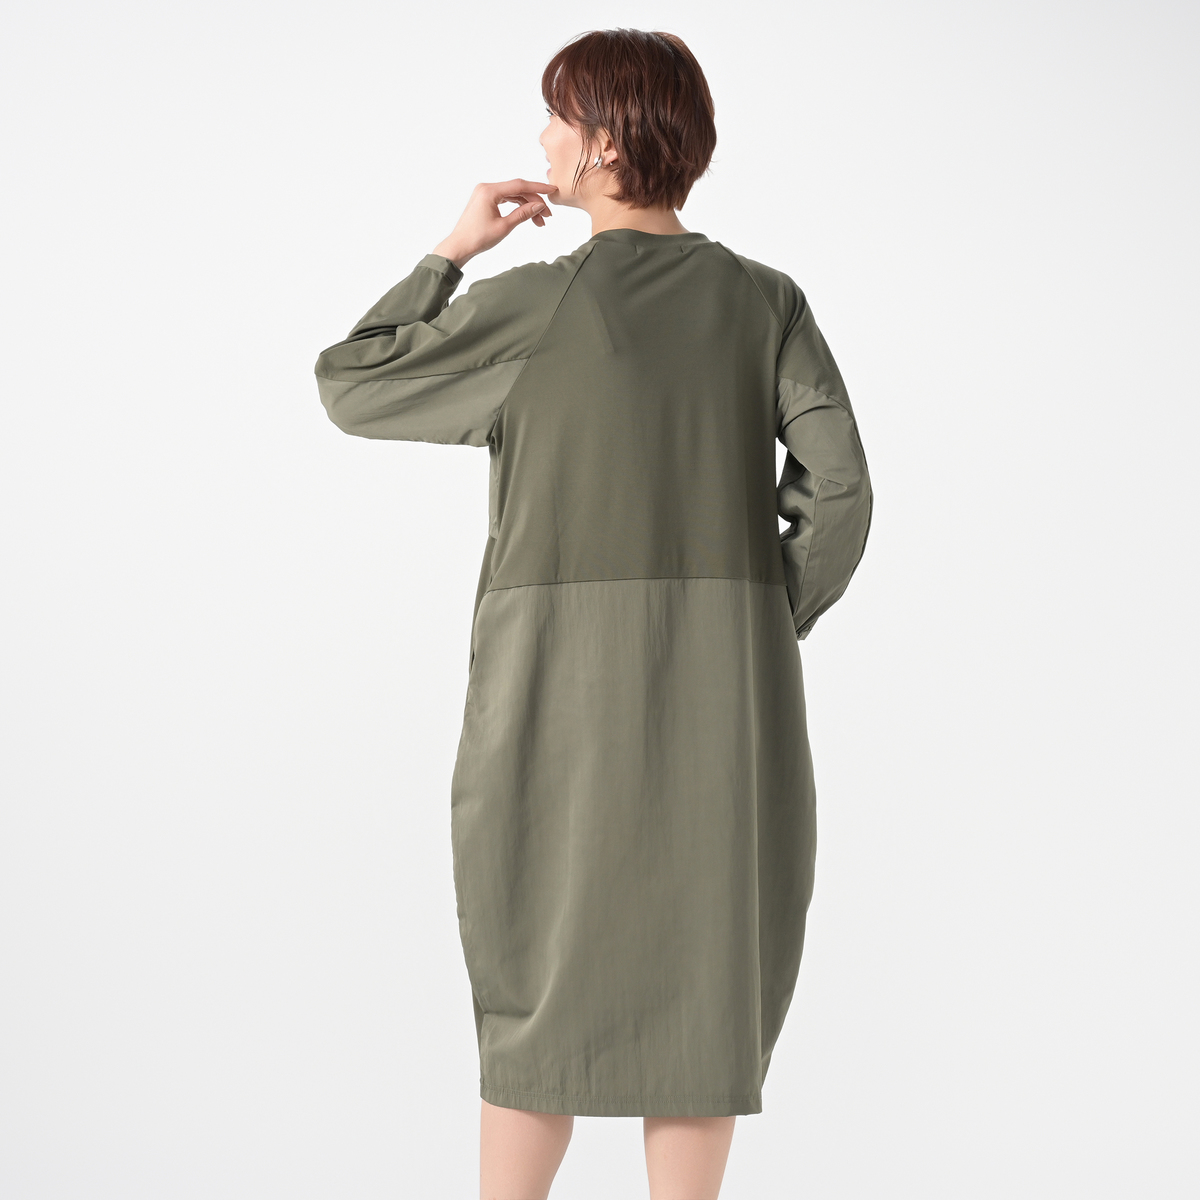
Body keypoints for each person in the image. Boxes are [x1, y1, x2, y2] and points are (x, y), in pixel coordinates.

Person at [314, 27, 872, 1200]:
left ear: (607, 144)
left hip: (551, 687)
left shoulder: (536, 303)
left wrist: (449, 254)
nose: (543, 139)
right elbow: (842, 492)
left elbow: (355, 383)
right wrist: (758, 622)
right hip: (728, 699)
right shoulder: (765, 301)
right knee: (705, 991)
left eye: (558, 118)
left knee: (538, 971)